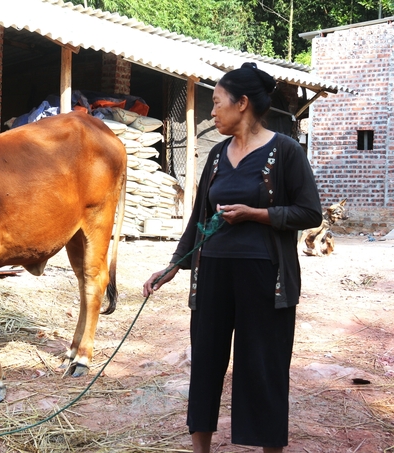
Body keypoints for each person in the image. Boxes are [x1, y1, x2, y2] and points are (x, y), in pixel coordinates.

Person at [142, 62, 323, 453]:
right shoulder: (219, 155)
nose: (212, 111)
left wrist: (257, 214)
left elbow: (310, 213)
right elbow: (199, 218)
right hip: (213, 276)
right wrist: (174, 265)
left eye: (217, 103)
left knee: (262, 368)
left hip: (265, 278)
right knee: (205, 363)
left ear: (242, 104)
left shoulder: (286, 151)